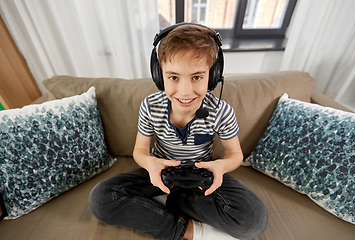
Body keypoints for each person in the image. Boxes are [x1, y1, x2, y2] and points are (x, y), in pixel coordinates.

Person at [88, 23, 267, 240]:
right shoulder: (149, 106)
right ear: (158, 75)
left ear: (212, 75)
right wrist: (149, 164)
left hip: (201, 174)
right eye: (173, 77)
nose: (184, 91)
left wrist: (222, 166)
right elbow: (140, 150)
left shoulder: (221, 111)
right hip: (159, 171)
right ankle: (187, 230)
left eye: (197, 77)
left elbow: (235, 155)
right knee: (100, 199)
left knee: (254, 220)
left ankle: (173, 201)